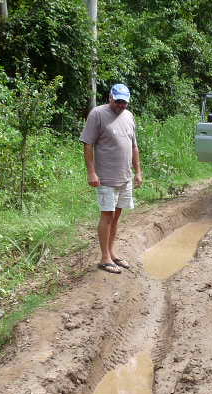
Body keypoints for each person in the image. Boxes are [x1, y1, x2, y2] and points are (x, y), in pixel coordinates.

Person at [80, 83, 143, 274]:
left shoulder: (129, 116)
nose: (121, 105)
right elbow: (88, 144)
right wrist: (91, 172)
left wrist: (138, 171)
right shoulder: (97, 114)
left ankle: (112, 252)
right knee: (107, 216)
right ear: (110, 98)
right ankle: (104, 258)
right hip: (106, 177)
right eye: (118, 101)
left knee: (116, 216)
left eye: (124, 102)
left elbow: (134, 147)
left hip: (125, 177)